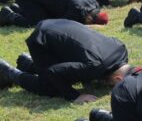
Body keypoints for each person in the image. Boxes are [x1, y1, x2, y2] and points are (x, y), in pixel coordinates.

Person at [0, 19, 133, 103]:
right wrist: (74, 96)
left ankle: (26, 62)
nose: (108, 87)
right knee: (50, 86)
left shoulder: (121, 50)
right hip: (43, 39)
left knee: (72, 74)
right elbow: (54, 72)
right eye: (112, 86)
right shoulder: (94, 66)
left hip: (62, 25)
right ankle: (8, 71)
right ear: (118, 79)